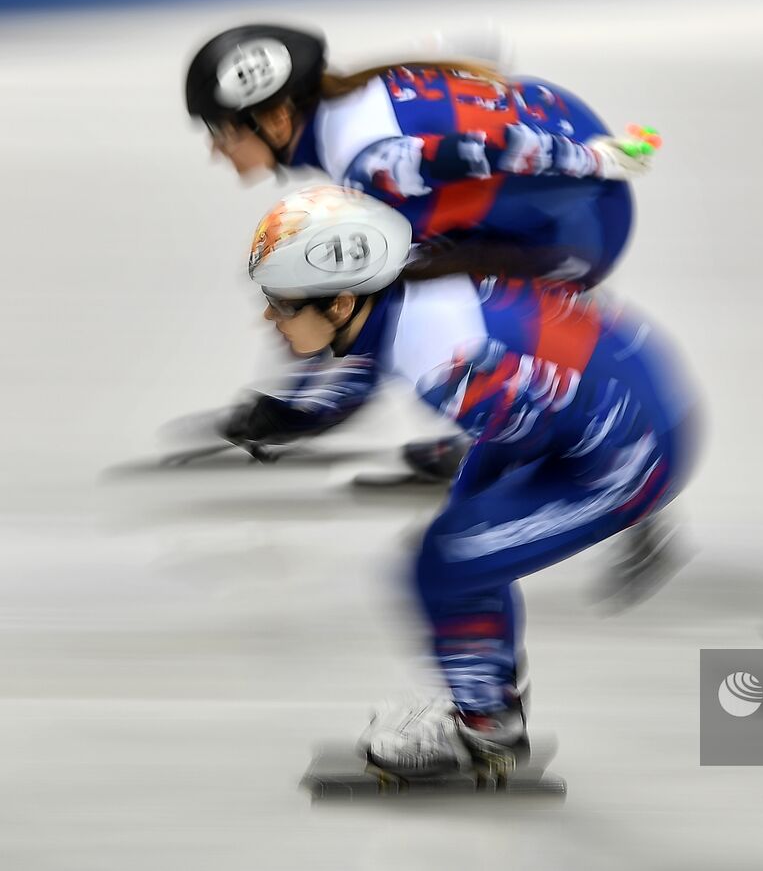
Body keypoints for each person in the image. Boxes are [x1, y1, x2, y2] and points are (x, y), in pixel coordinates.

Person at [237, 184, 697, 777]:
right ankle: (488, 700)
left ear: (342, 303)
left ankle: (486, 728)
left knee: (448, 559)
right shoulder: (402, 294)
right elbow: (371, 356)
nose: (269, 317)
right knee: (462, 550)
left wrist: (636, 516)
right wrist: (299, 412)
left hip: (629, 446)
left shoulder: (446, 358)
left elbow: (526, 435)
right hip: (623, 394)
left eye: (280, 301)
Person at [185, 23, 661, 481]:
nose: (214, 148)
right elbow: (479, 47)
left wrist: (597, 159)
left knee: (403, 300)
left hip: (582, 218)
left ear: (276, 118)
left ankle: (550, 440)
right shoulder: (360, 88)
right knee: (388, 272)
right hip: (562, 131)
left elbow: (490, 149)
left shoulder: (367, 163)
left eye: (220, 129)